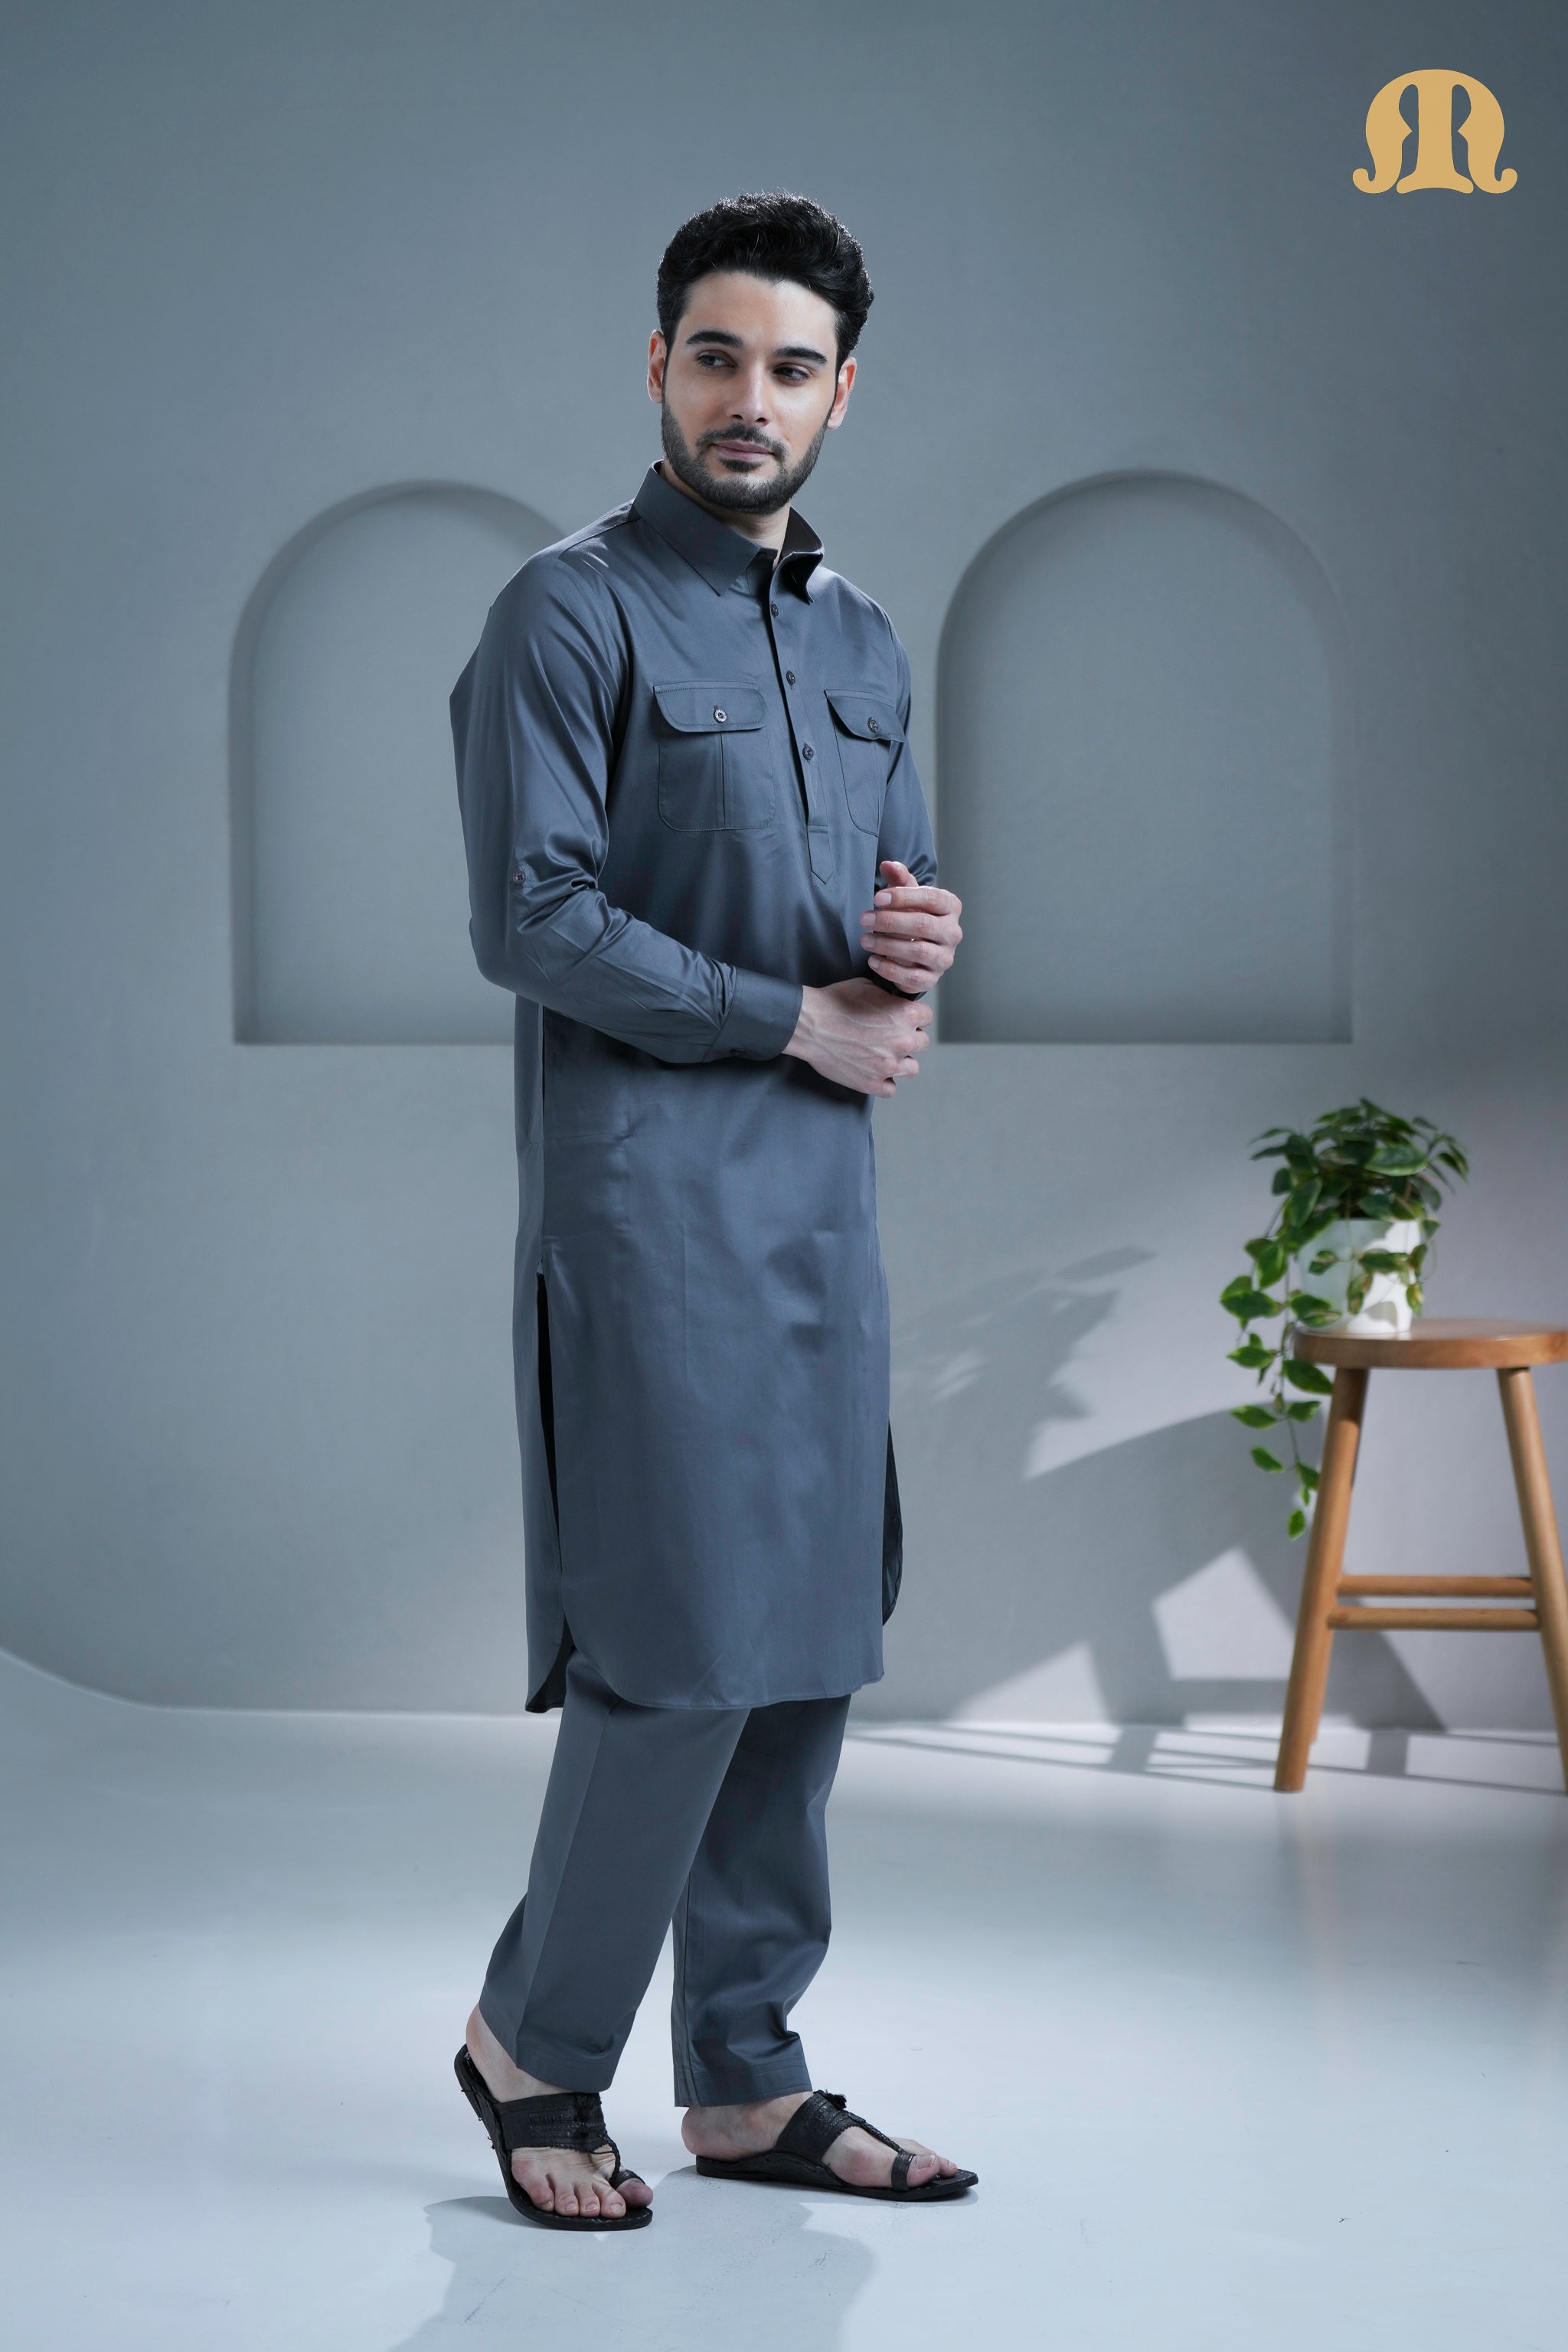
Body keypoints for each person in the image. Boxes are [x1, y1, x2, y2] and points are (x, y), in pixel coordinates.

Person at [449, 191, 973, 2230]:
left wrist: (913, 957)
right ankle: (534, 2049)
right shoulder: (564, 612)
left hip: (819, 1210)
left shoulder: (862, 638)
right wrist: (796, 1019)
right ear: (658, 367)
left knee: (809, 1641)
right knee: (674, 1647)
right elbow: (532, 916)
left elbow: (884, 917)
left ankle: (747, 2078)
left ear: (845, 392)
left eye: (791, 366)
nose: (751, 397)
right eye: (716, 356)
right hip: (651, 1210)